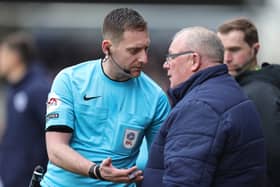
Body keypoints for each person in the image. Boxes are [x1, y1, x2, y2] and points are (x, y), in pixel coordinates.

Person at [40, 8, 170, 187]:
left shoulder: (156, 98)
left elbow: (159, 166)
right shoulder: (69, 80)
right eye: (134, 51)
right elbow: (55, 149)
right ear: (107, 48)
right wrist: (96, 171)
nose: (144, 58)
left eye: (146, 49)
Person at [142, 26, 266, 187]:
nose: (166, 65)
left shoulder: (199, 107)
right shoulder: (229, 92)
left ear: (194, 60)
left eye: (171, 57)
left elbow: (183, 181)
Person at [217, 18, 280, 187]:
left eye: (234, 50)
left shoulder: (259, 92)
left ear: (255, 49)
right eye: (222, 50)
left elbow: (271, 155)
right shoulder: (244, 87)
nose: (226, 58)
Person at [0, 31, 50, 187]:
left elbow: (53, 131)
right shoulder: (13, 89)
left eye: (2, 54)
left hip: (29, 178)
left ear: (15, 56)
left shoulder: (38, 89)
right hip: (10, 175)